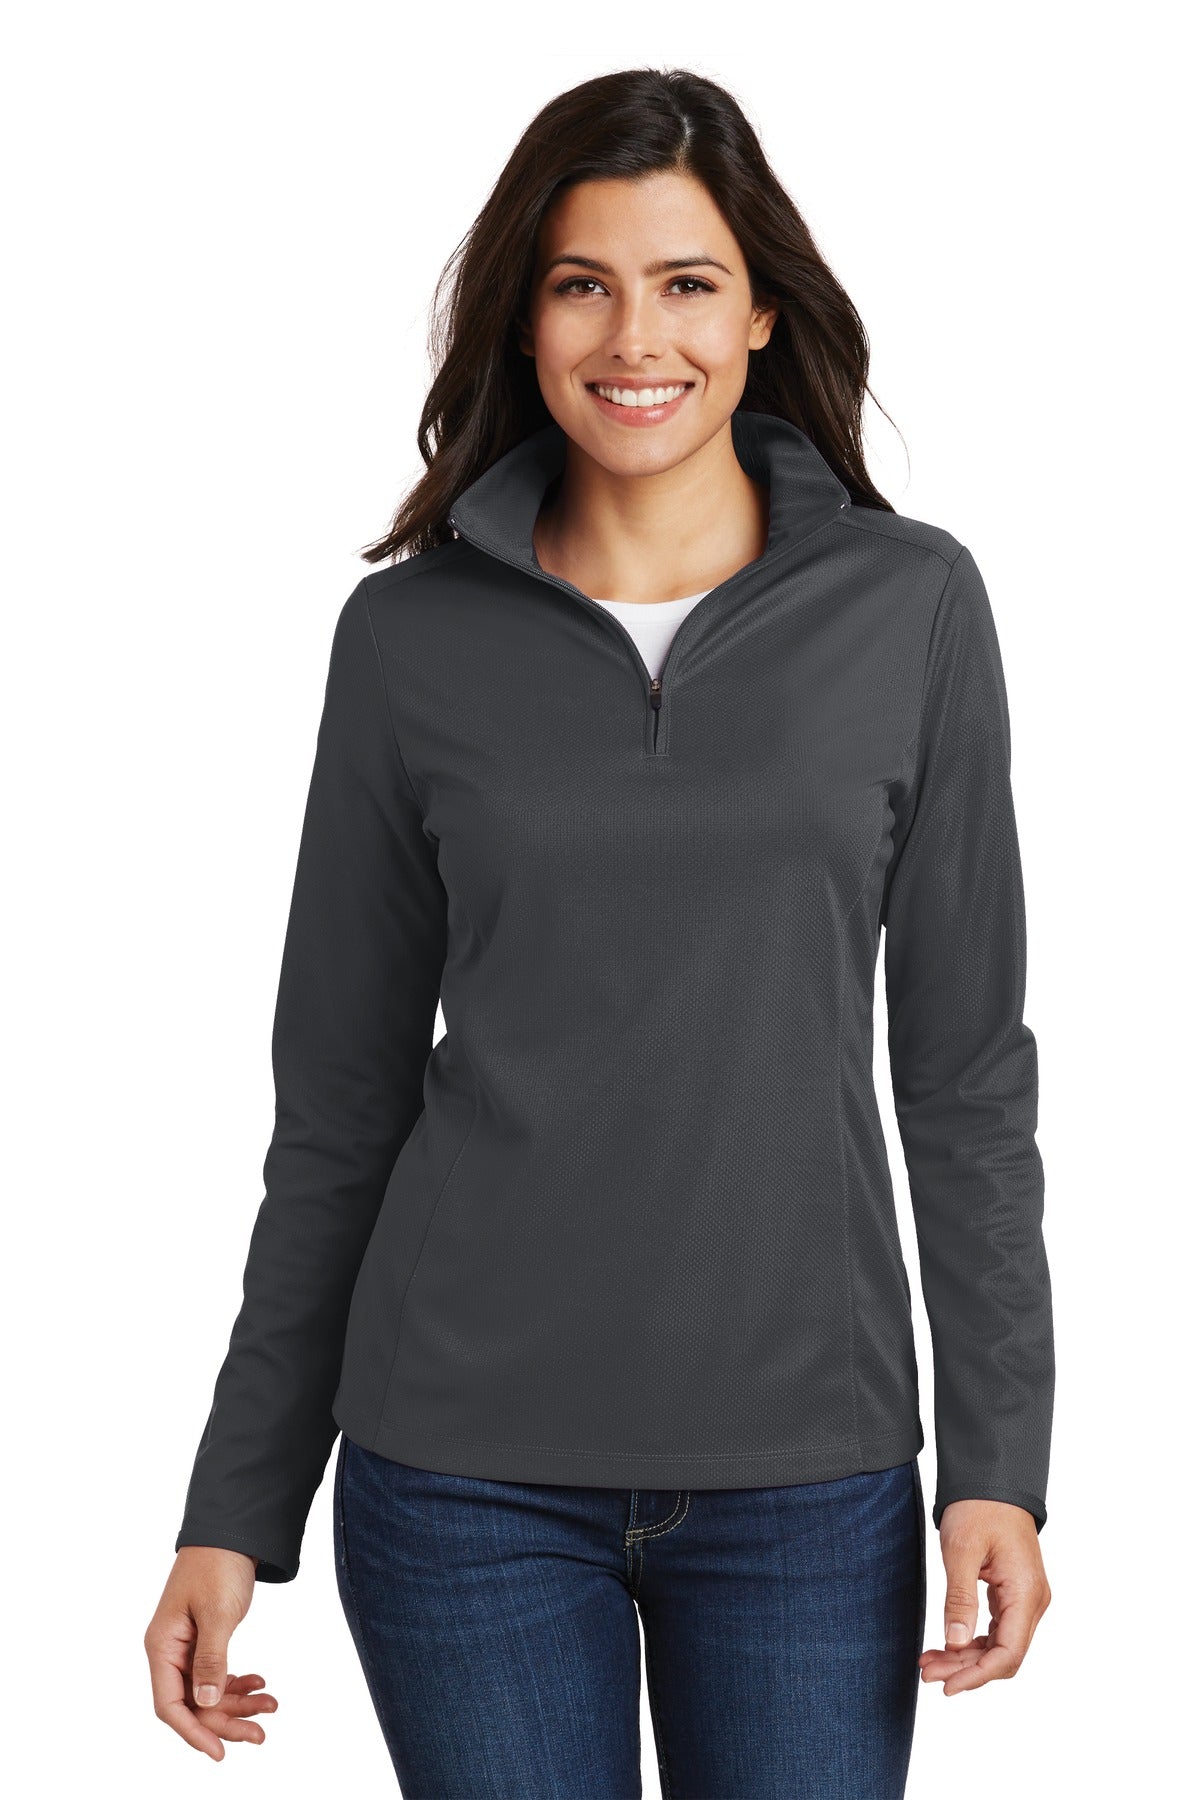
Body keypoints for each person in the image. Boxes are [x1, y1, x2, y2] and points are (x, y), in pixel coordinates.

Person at [144, 66, 1054, 1798]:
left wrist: (1000, 1462)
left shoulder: (911, 606)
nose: (638, 338)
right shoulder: (408, 640)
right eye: (583, 284)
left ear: (764, 312)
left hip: (809, 1476)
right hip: (457, 1477)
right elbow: (337, 1102)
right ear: (526, 316)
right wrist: (235, 1504)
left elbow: (964, 1076)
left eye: (688, 282)